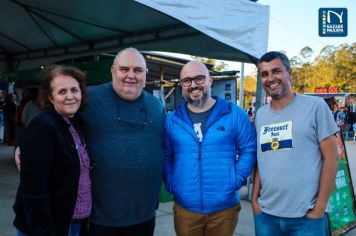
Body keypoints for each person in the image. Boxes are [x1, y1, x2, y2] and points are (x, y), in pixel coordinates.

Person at [163, 60, 257, 236]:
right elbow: (167, 156)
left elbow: (248, 149)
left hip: (224, 208)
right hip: (186, 208)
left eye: (199, 78)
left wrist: (235, 180)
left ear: (210, 80)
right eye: (187, 80)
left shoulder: (234, 114)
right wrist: (172, 182)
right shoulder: (172, 120)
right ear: (181, 84)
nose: (193, 85)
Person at [79, 47, 165, 236]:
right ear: (113, 71)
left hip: (144, 215)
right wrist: (26, 146)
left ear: (146, 74)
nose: (131, 75)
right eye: (124, 69)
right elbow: (55, 121)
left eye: (138, 70)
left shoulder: (156, 106)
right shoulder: (89, 98)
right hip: (100, 219)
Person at [252, 51, 338, 235]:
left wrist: (319, 208)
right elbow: (262, 158)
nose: (270, 78)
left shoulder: (315, 107)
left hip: (307, 218)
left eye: (276, 71)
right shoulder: (261, 115)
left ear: (289, 73)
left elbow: (331, 158)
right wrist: (254, 200)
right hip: (267, 215)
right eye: (264, 74)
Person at [13, 65, 92, 236]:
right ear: (50, 97)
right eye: (62, 92)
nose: (70, 96)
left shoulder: (73, 124)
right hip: (48, 227)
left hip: (73, 222)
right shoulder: (43, 126)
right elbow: (33, 188)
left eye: (74, 90)